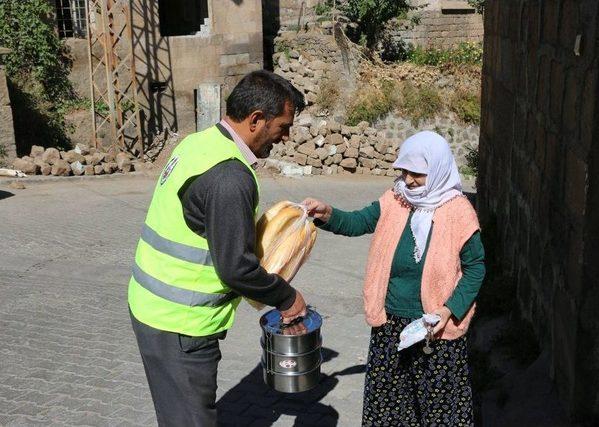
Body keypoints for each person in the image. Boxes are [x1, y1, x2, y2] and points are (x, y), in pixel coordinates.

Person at [128, 70, 309, 426]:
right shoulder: (230, 177)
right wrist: (287, 298)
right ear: (257, 119)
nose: (286, 137)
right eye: (283, 126)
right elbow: (236, 268)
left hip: (153, 309)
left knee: (177, 415)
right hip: (180, 323)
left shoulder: (200, 142)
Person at [303, 131, 486, 426]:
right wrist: (327, 213)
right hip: (391, 325)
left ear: (437, 170)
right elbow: (359, 221)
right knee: (389, 409)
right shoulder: (395, 200)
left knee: (438, 410)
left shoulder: (459, 212)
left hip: (434, 328)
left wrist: (449, 309)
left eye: (418, 174)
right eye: (404, 171)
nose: (409, 180)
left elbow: (475, 268)